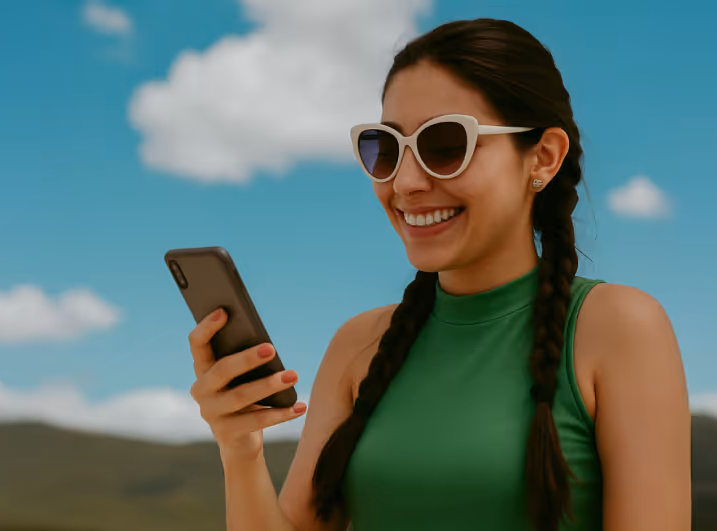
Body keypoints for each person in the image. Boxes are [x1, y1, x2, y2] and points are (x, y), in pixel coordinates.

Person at [187, 17, 691, 531]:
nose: (406, 182)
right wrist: (239, 449)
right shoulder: (358, 345)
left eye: (446, 145)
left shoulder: (619, 328)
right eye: (385, 149)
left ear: (543, 157)